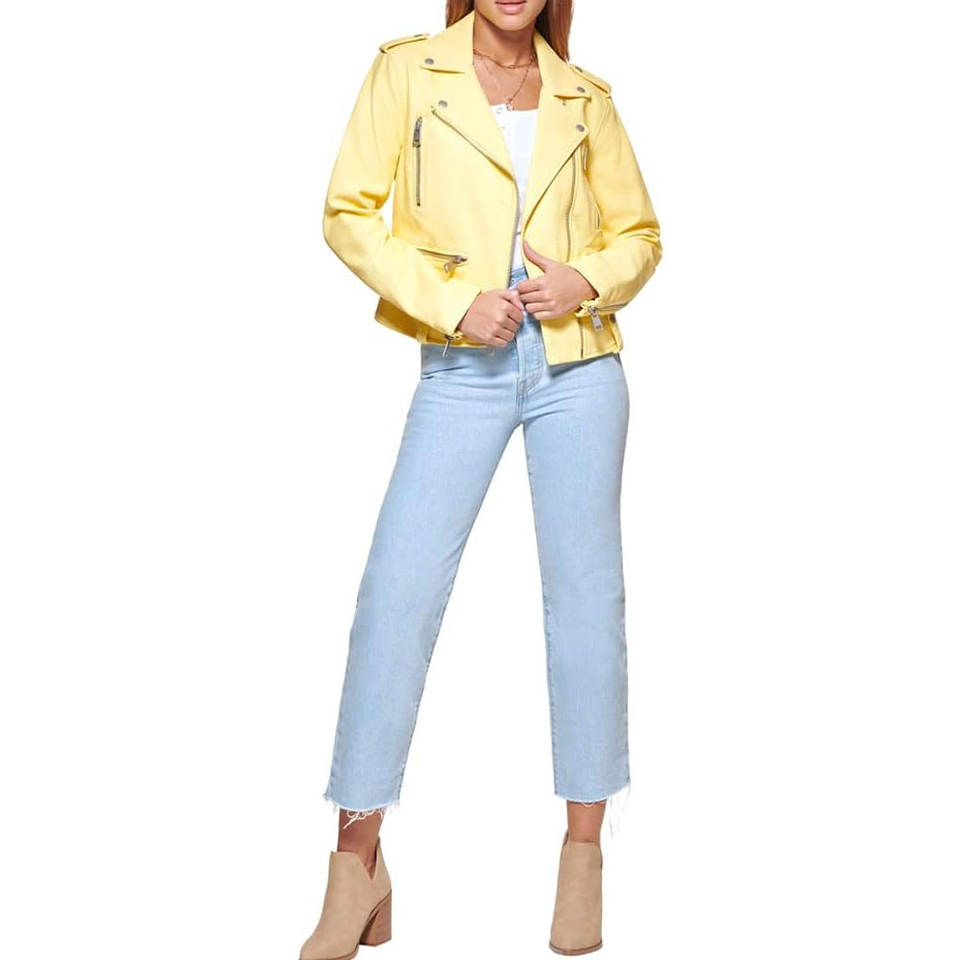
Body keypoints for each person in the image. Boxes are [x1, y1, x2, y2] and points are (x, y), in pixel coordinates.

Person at [298, 1, 661, 956]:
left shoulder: (585, 95)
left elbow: (640, 236)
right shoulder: (407, 70)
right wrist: (456, 301)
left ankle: (583, 854)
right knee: (396, 597)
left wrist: (586, 280)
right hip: (463, 368)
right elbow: (347, 214)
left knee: (586, 603)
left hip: (580, 369)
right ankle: (356, 863)